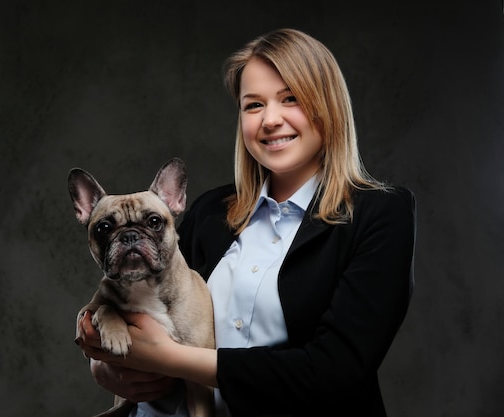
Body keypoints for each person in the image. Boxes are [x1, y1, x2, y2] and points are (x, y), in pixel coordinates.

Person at [76, 28, 416, 417]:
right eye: (253, 105)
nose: (271, 119)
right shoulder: (210, 210)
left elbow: (335, 373)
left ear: (329, 106)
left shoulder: (380, 214)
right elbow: (150, 307)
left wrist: (167, 357)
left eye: (291, 99)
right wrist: (108, 368)